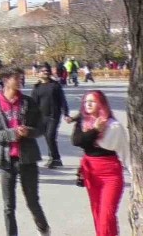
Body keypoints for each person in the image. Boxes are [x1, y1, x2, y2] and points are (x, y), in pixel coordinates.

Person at [0, 66, 50, 236]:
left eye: (21, 78)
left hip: (28, 159)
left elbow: (41, 128)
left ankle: (44, 229)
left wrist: (29, 132)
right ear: (5, 80)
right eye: (17, 78)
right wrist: (11, 134)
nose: (21, 81)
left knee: (32, 201)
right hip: (6, 160)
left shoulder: (28, 102)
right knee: (8, 206)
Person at [71, 90, 130, 236]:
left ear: (101, 104)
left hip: (110, 174)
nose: (88, 104)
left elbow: (125, 151)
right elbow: (77, 141)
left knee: (106, 216)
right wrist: (96, 130)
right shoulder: (82, 122)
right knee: (98, 214)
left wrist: (135, 174)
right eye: (86, 101)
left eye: (92, 101)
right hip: (90, 173)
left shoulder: (113, 126)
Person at [31, 63, 70, 169]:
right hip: (41, 117)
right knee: (48, 137)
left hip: (53, 115)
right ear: (38, 73)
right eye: (43, 71)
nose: (46, 72)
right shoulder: (36, 88)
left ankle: (56, 158)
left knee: (50, 136)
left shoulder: (55, 85)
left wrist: (66, 113)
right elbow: (33, 104)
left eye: (47, 70)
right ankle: (53, 158)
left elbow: (62, 100)